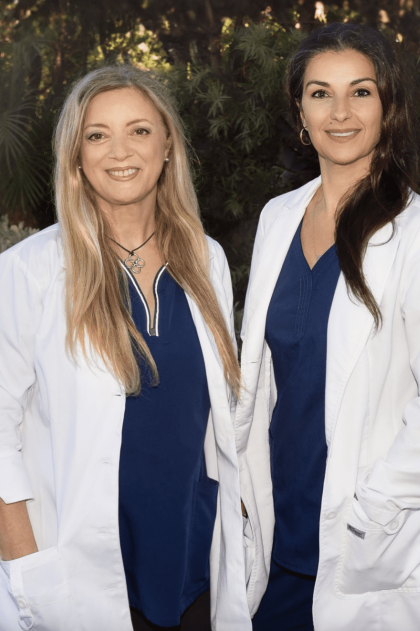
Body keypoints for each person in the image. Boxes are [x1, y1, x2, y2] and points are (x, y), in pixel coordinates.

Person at [0, 65, 251, 631]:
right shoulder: (29, 271)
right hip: (79, 575)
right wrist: (24, 565)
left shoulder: (205, 258)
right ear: (76, 155)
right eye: (97, 134)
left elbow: (218, 415)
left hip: (193, 561)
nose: (120, 150)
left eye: (139, 130)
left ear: (167, 146)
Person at [236, 22, 420, 631]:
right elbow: (263, 374)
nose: (340, 112)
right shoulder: (279, 217)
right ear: (299, 111)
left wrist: (371, 510)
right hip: (277, 542)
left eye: (361, 92)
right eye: (320, 93)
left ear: (388, 105)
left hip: (368, 548)